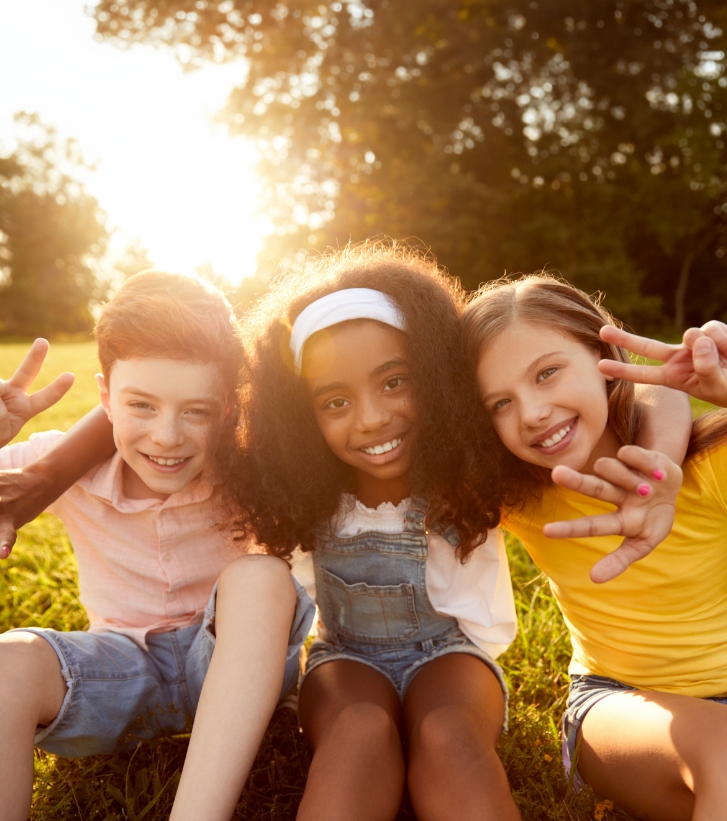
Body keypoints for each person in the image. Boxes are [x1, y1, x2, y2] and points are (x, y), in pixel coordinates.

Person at [0, 271, 315, 821]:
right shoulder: (56, 464)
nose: (167, 436)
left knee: (260, 577)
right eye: (141, 405)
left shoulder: (252, 466)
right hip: (121, 671)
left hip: (232, 662)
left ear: (228, 410)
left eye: (195, 410)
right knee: (9, 662)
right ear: (105, 398)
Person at [226, 243, 521, 821]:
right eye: (335, 401)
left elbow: (615, 402)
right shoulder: (304, 497)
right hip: (345, 660)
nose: (371, 418)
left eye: (394, 382)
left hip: (450, 655)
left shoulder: (468, 471)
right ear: (299, 418)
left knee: (449, 732)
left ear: (436, 378)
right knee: (358, 731)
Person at [462, 273, 727, 821]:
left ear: (604, 355)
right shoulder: (517, 496)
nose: (532, 412)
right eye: (499, 403)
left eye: (548, 372)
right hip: (618, 707)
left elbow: (657, 394)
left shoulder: (706, 465)